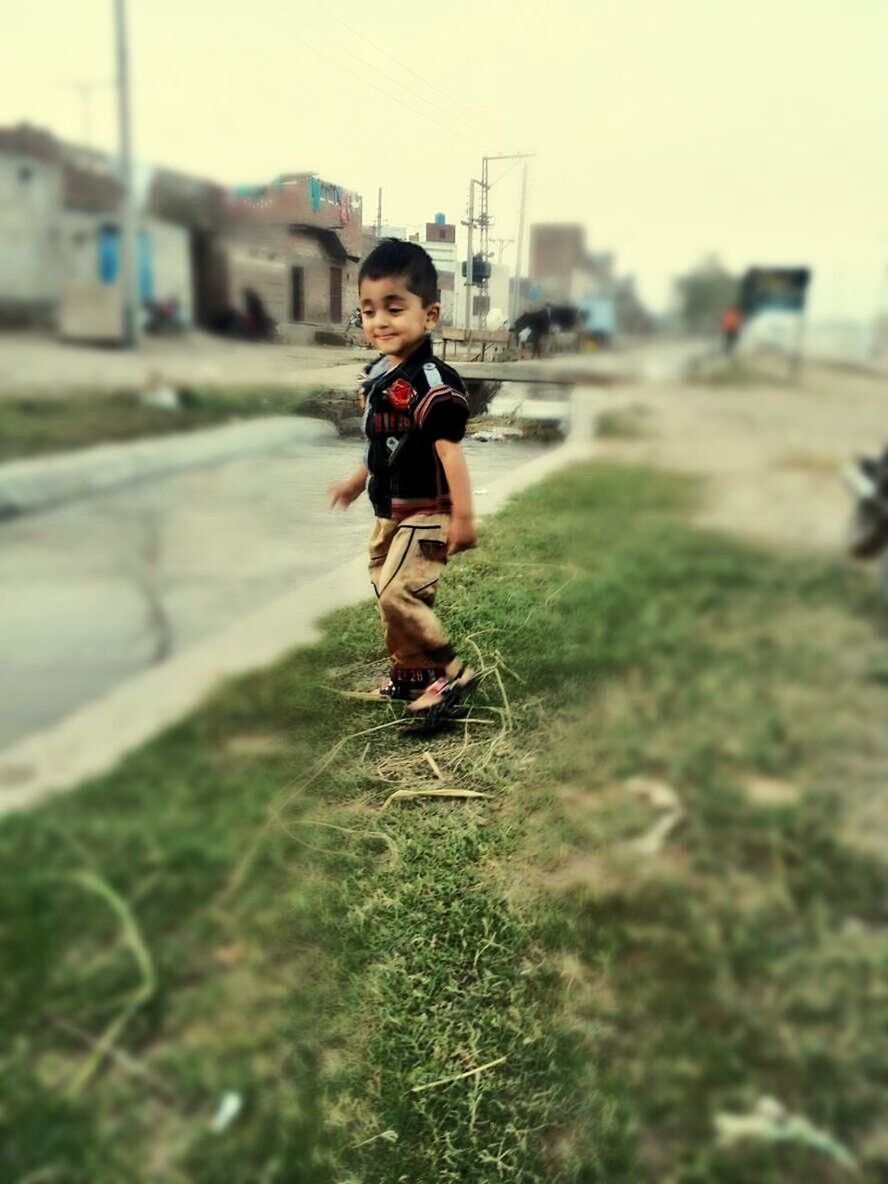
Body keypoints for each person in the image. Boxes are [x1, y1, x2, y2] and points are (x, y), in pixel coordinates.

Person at [329, 240, 477, 713]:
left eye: (395, 308)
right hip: (387, 511)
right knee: (387, 596)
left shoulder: (432, 383)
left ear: (429, 315)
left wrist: (463, 518)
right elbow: (383, 447)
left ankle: (451, 673)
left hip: (427, 512)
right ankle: (413, 676)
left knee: (399, 593)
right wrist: (356, 480)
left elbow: (450, 454)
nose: (380, 321)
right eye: (369, 311)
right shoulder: (377, 377)